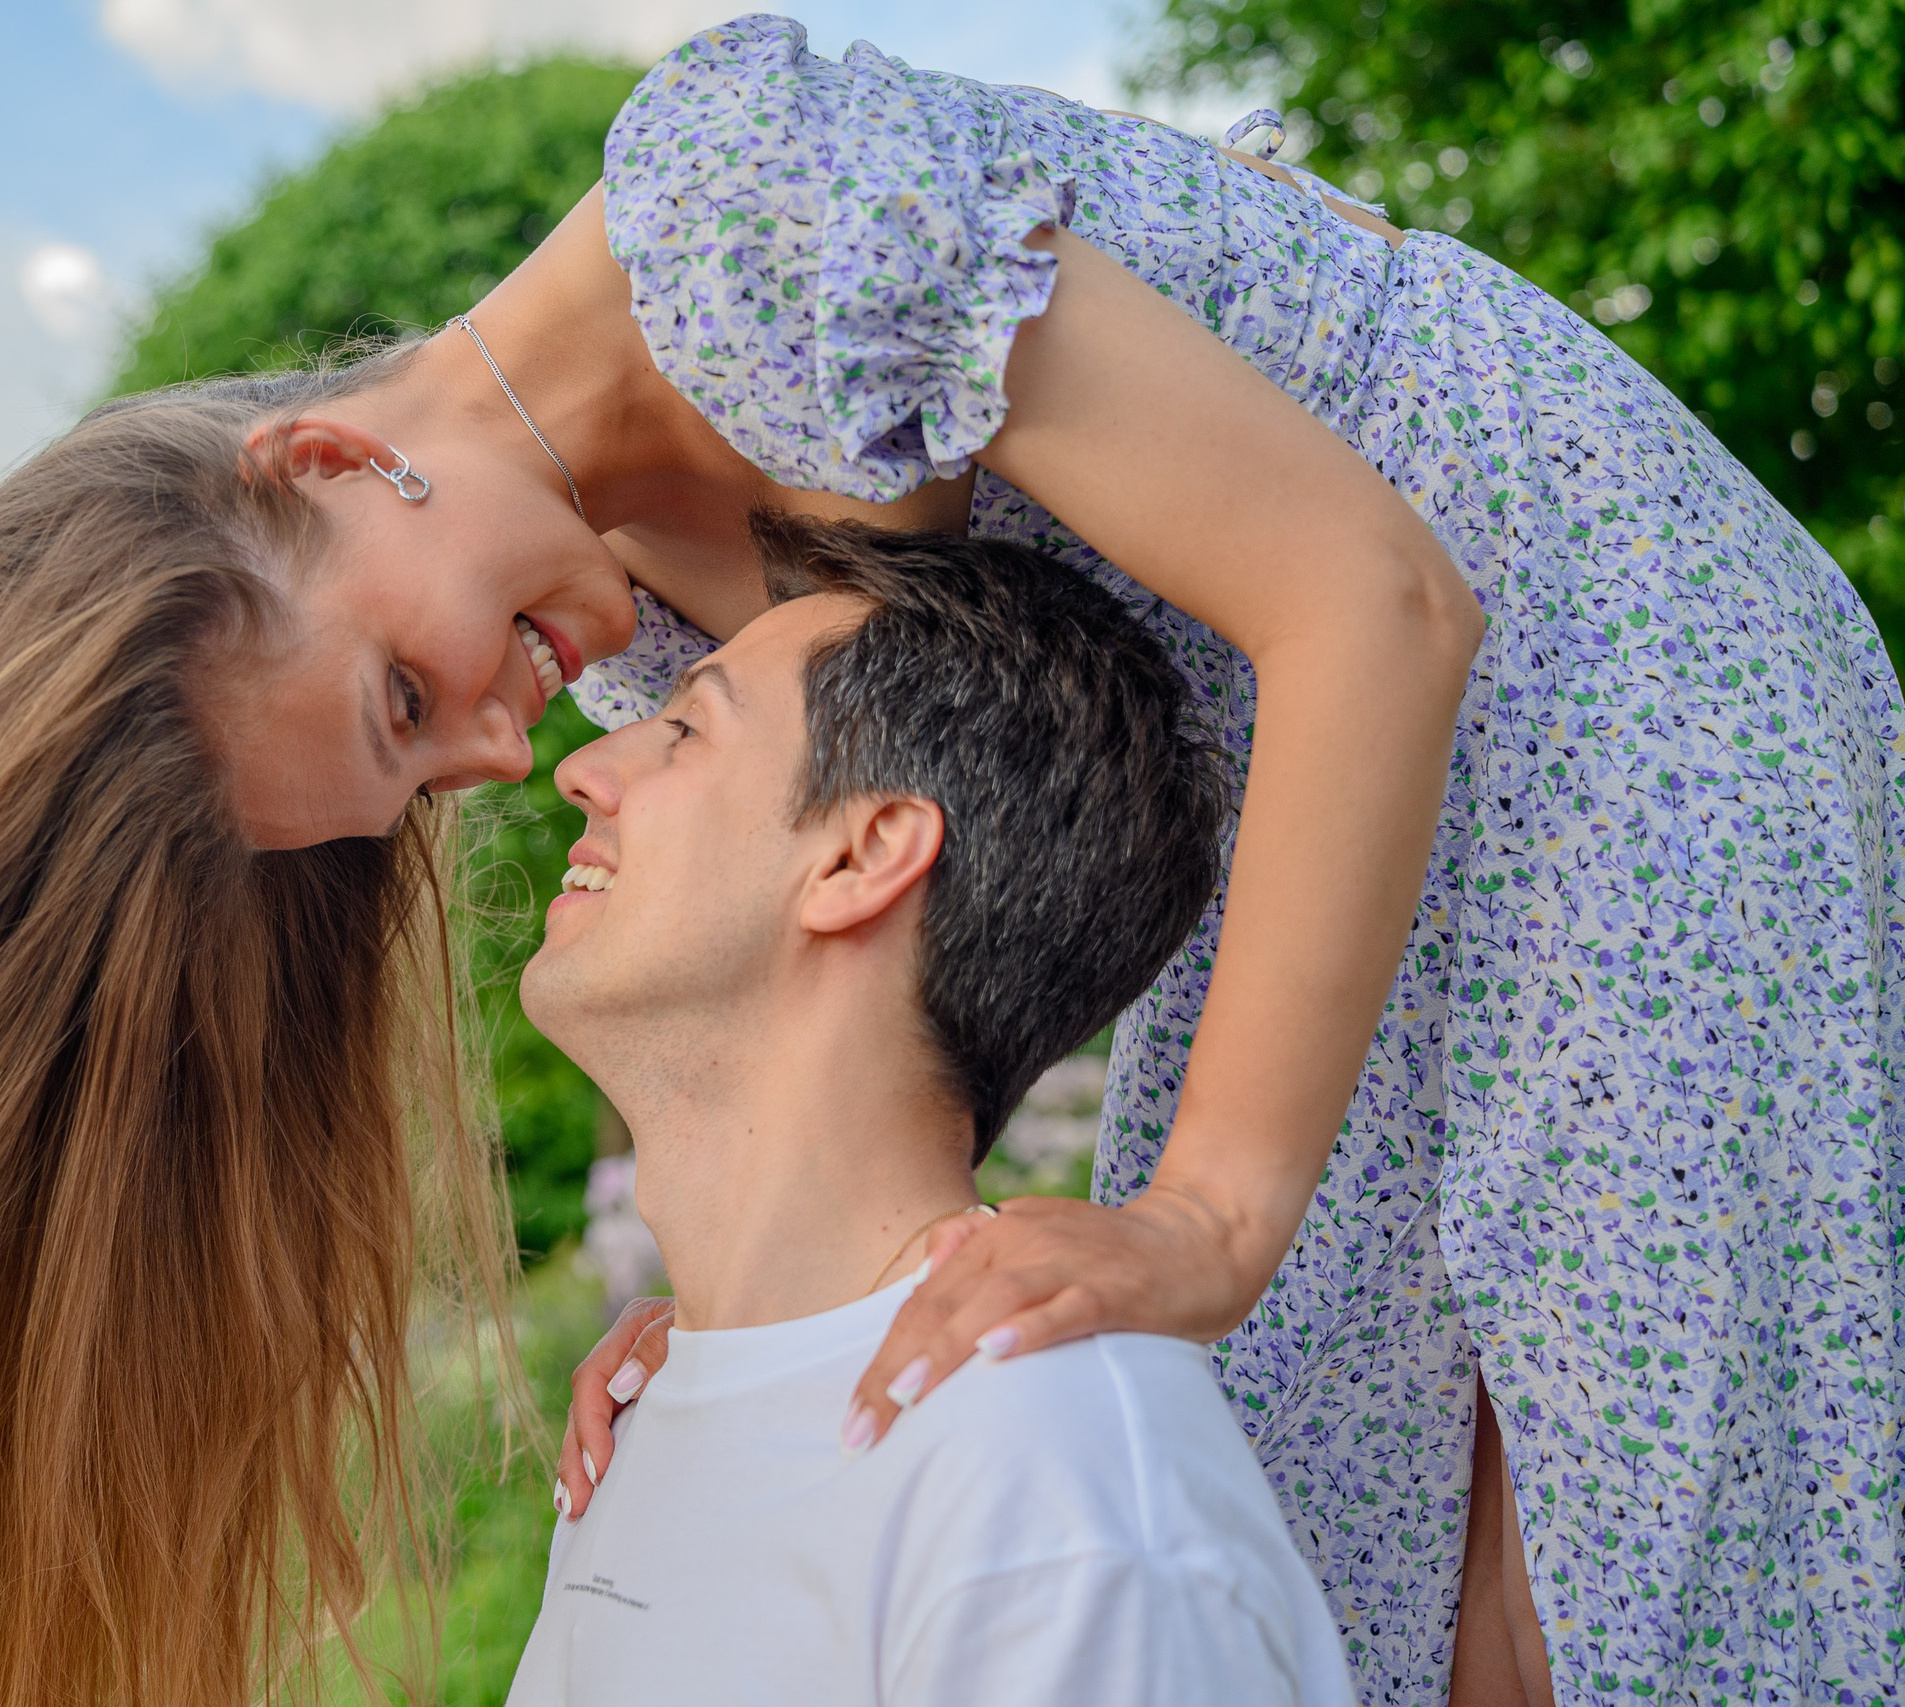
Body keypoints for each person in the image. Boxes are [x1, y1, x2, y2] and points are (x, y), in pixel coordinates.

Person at [0, 14, 1905, 1706]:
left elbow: (1368, 600)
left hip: (1597, 691)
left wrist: (1205, 1209)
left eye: (394, 695)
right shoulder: (609, 612)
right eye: (422, 774)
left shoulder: (739, 201)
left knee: (1616, 1568)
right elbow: (904, 933)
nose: (500, 743)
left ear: (325, 467)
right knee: (1331, 1551)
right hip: (1343, 783)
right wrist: (736, 1289)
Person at [508, 514, 1348, 1705]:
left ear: (862, 856)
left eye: (685, 727)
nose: (584, 766)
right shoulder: (643, 1415)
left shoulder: (1051, 1499)